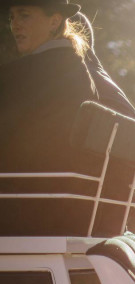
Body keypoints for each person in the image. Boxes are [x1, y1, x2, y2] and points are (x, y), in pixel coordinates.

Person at [0, 0, 98, 173]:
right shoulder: (79, 70)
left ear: (54, 21)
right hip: (58, 185)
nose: (15, 25)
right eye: (12, 17)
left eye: (24, 16)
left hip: (22, 184)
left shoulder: (20, 73)